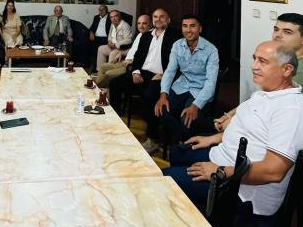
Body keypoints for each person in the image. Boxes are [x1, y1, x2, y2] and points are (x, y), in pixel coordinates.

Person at [163, 42, 303, 217]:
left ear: (287, 69)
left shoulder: (293, 111)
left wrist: (219, 171)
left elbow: (272, 172)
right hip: (226, 157)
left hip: (241, 191)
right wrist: (213, 139)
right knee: (176, 153)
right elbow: (248, 129)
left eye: (262, 61)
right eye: (254, 59)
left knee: (163, 178)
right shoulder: (267, 92)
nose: (254, 66)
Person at [109, 8, 179, 150]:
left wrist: (165, 74)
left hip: (159, 76)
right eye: (155, 17)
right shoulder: (146, 36)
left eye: (162, 17)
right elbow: (138, 57)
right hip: (142, 73)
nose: (158, 19)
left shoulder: (175, 36)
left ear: (168, 20)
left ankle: (153, 139)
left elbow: (179, 60)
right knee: (114, 83)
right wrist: (135, 72)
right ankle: (114, 121)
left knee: (149, 97)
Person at [154, 14, 219, 144]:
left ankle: (180, 145)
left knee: (187, 120)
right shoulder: (177, 45)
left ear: (200, 29)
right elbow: (170, 71)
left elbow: (211, 83)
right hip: (181, 86)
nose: (188, 30)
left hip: (200, 91)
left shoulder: (211, 50)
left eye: (192, 26)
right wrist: (163, 94)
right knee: (160, 110)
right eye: (185, 26)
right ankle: (180, 142)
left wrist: (196, 105)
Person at [94, 13, 151, 88]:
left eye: (144, 23)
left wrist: (131, 61)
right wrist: (121, 53)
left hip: (132, 66)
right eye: (139, 23)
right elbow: (133, 50)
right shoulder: (140, 35)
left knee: (108, 73)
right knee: (103, 66)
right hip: (125, 61)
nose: (141, 26)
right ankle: (96, 86)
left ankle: (97, 87)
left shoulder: (150, 38)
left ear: (150, 24)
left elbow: (145, 57)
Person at [87, 4, 111, 71]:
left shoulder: (110, 17)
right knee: (92, 49)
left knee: (101, 50)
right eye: (100, 10)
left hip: (105, 39)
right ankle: (94, 66)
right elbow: (92, 27)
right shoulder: (96, 17)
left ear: (107, 10)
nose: (101, 11)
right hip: (96, 38)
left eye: (103, 9)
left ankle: (103, 68)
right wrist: (91, 33)